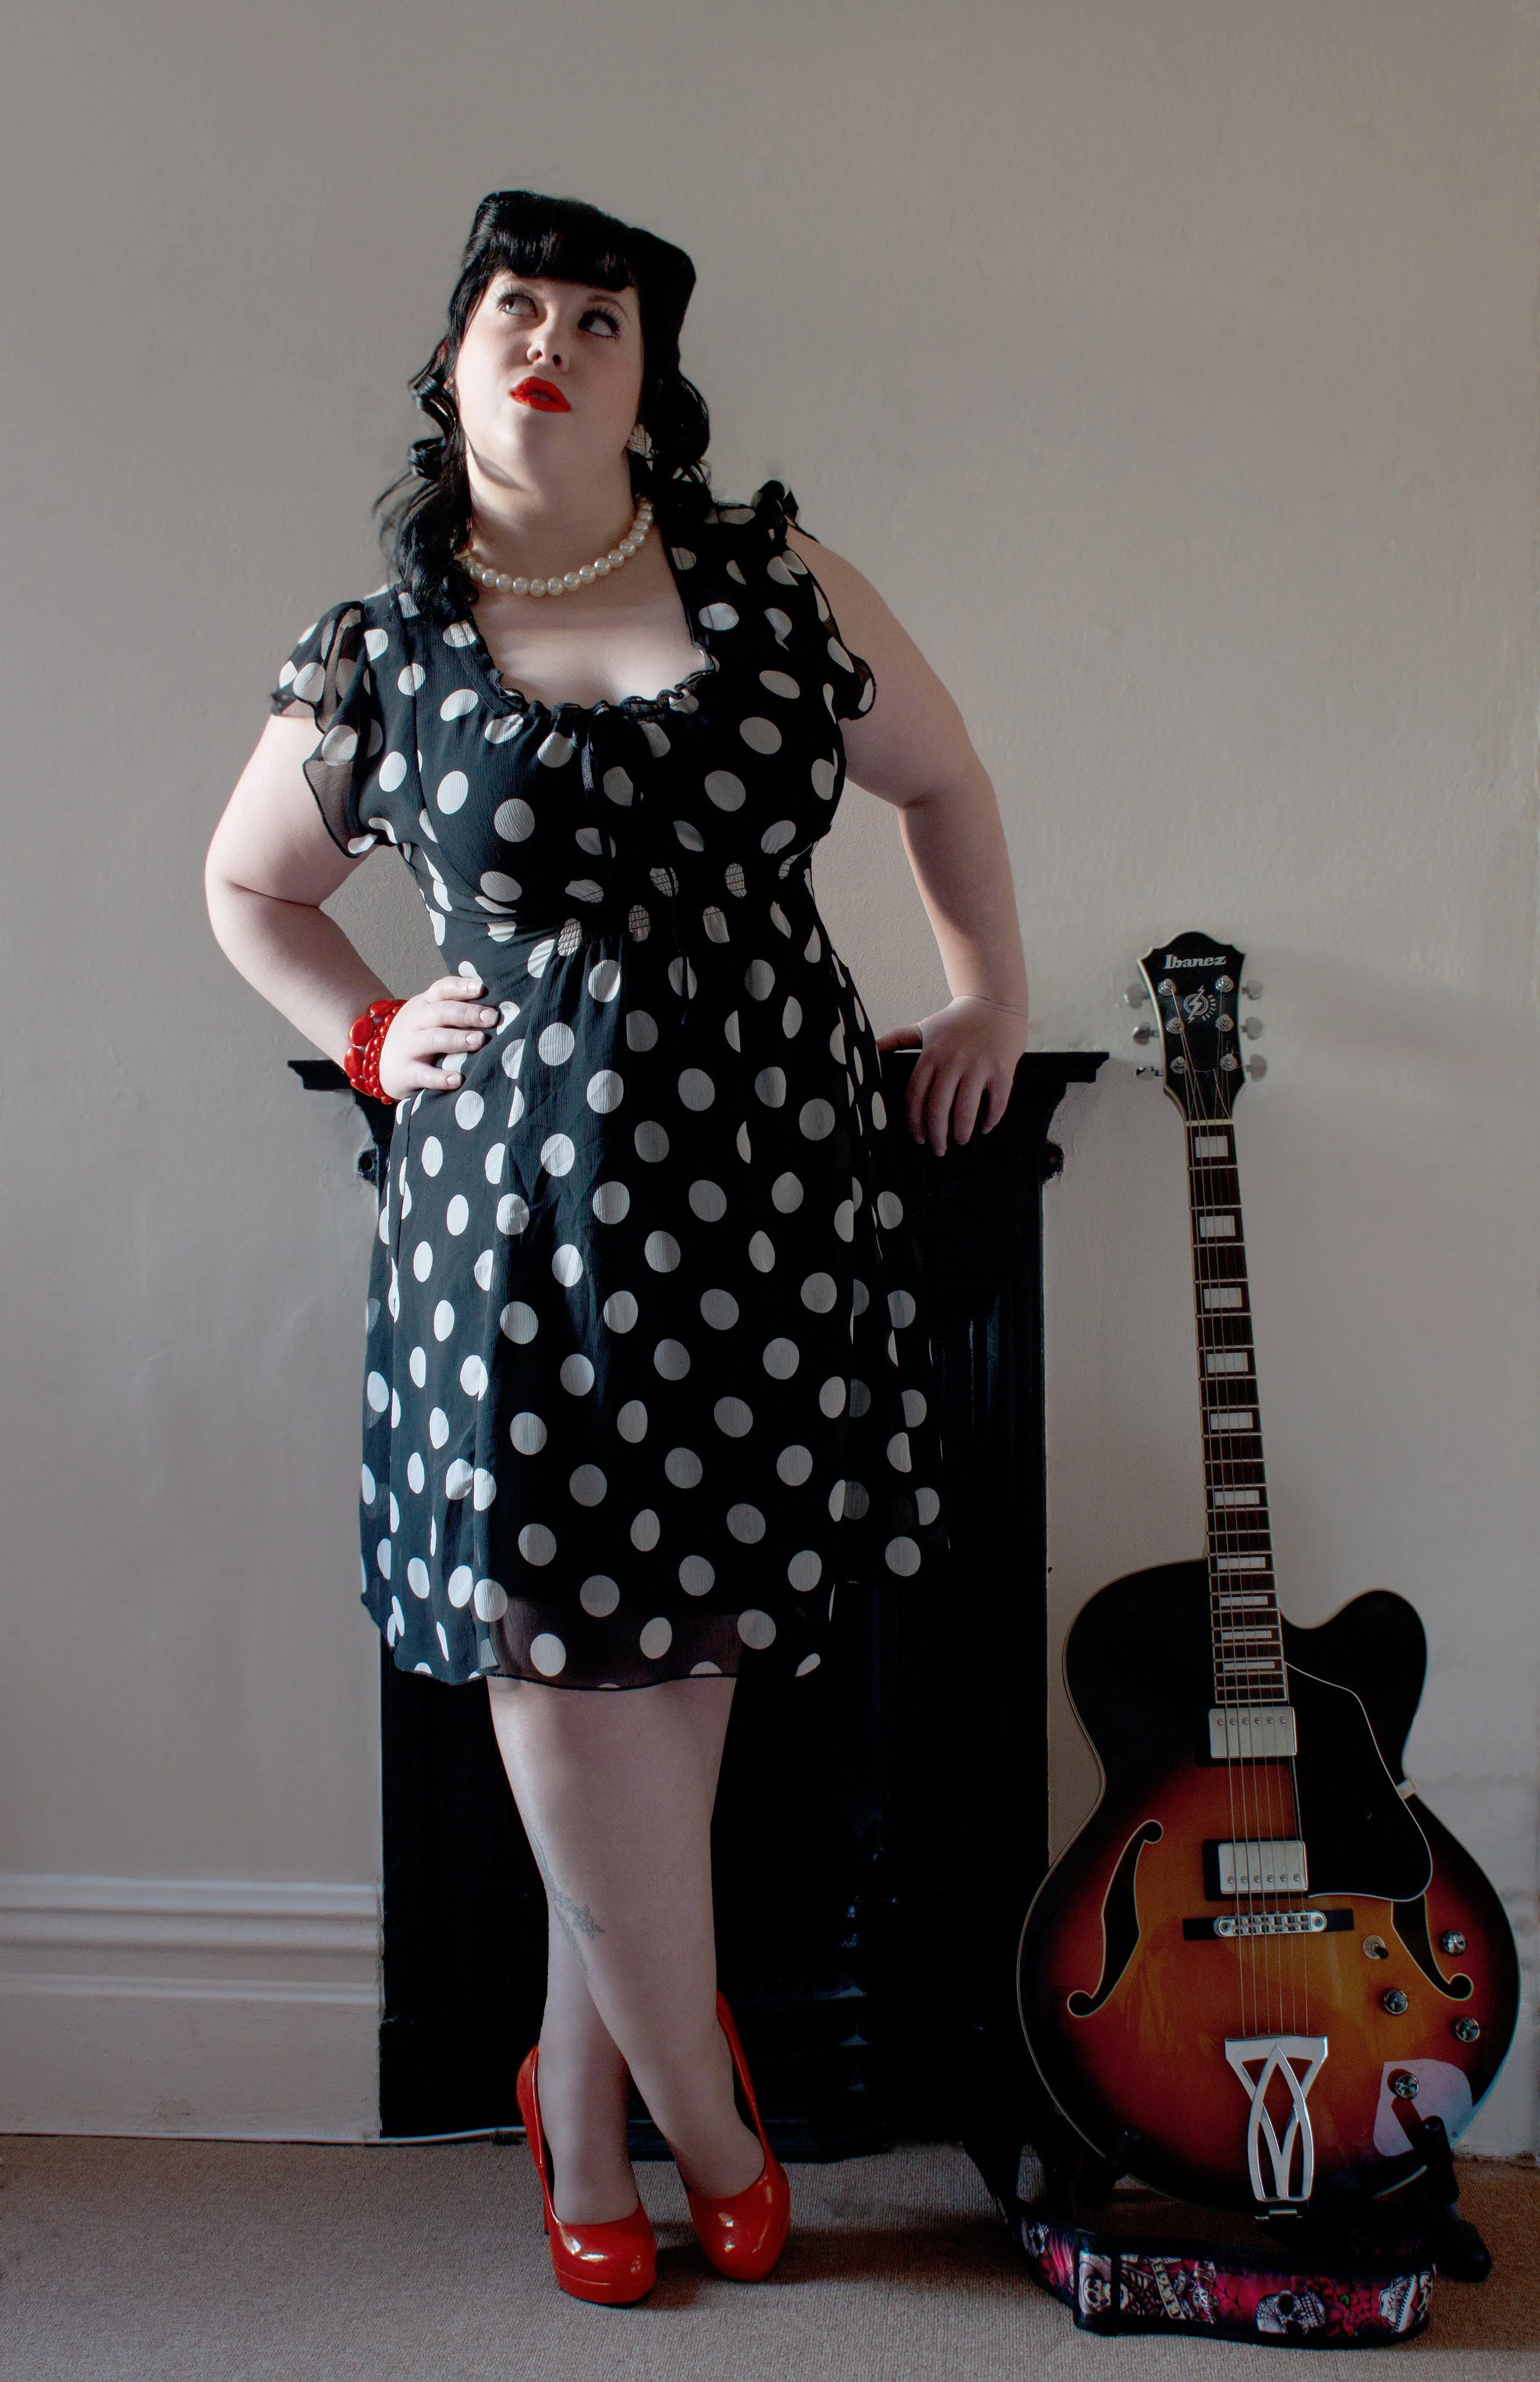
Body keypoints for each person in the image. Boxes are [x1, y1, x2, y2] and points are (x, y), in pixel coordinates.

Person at [205, 189, 1030, 2305]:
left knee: (687, 1675)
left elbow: (940, 787)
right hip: (517, 1218)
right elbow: (247, 891)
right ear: (455, 359)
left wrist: (989, 997)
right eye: (515, 310)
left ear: (650, 380)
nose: (554, 342)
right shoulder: (380, 643)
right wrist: (375, 1034)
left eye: (599, 319)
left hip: (766, 1184)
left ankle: (583, 2115)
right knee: (560, 1678)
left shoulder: (775, 582)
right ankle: (710, 2113)